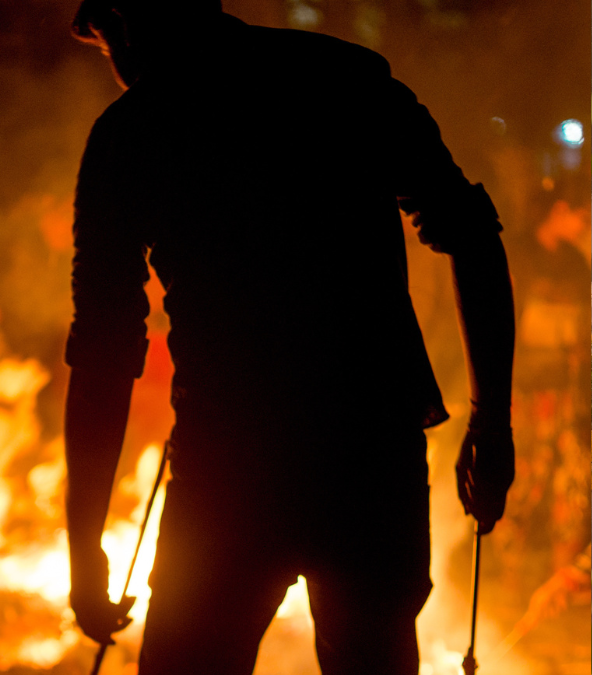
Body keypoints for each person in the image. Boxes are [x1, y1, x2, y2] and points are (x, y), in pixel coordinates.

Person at [60, 2, 516, 673]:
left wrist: (84, 544)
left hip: (230, 472)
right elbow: (472, 234)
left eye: (104, 49)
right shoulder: (346, 80)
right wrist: (490, 420)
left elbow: (103, 349)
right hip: (370, 455)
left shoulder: (132, 134)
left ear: (128, 22)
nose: (116, 70)